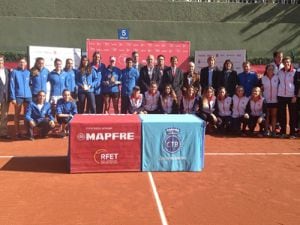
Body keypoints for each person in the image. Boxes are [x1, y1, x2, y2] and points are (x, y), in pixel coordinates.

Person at [10, 57, 32, 139]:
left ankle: (27, 131)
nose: (22, 64)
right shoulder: (14, 72)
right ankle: (17, 132)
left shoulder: (28, 72)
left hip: (28, 96)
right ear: (18, 63)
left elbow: (30, 83)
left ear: (26, 64)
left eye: (23, 62)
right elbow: (12, 86)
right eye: (20, 62)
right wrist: (13, 97)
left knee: (27, 114)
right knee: (17, 115)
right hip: (18, 96)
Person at [277, 56, 297, 139]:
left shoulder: (295, 72)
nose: (286, 64)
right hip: (281, 95)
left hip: (291, 96)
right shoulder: (280, 72)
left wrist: (295, 95)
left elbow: (297, 84)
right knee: (282, 115)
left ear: (290, 63)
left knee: (292, 115)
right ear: (283, 63)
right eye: (285, 62)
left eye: (288, 62)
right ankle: (283, 132)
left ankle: (292, 133)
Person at [259, 64, 279, 137]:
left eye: (271, 69)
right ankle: (266, 130)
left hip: (275, 100)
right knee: (267, 116)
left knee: (274, 116)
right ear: (266, 70)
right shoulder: (262, 78)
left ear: (273, 70)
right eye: (268, 69)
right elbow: (260, 89)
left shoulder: (277, 78)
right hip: (266, 100)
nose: (270, 70)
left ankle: (273, 131)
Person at [0, 55, 11, 139]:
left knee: (4, 116)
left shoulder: (7, 71)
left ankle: (3, 133)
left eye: (1, 60)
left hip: (5, 97)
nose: (0, 62)